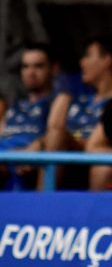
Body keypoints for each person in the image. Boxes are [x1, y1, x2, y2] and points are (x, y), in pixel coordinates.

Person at [42, 34, 112, 189]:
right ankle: (40, 196)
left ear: (107, 60)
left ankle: (43, 199)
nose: (82, 62)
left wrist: (65, 140)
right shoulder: (77, 101)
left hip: (97, 162)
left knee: (57, 135)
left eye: (88, 56)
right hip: (66, 163)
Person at [0, 42, 58, 189]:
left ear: (54, 69)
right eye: (25, 66)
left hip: (28, 168)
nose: (30, 72)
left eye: (38, 66)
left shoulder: (58, 104)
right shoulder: (14, 107)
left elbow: (62, 136)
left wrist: (38, 145)